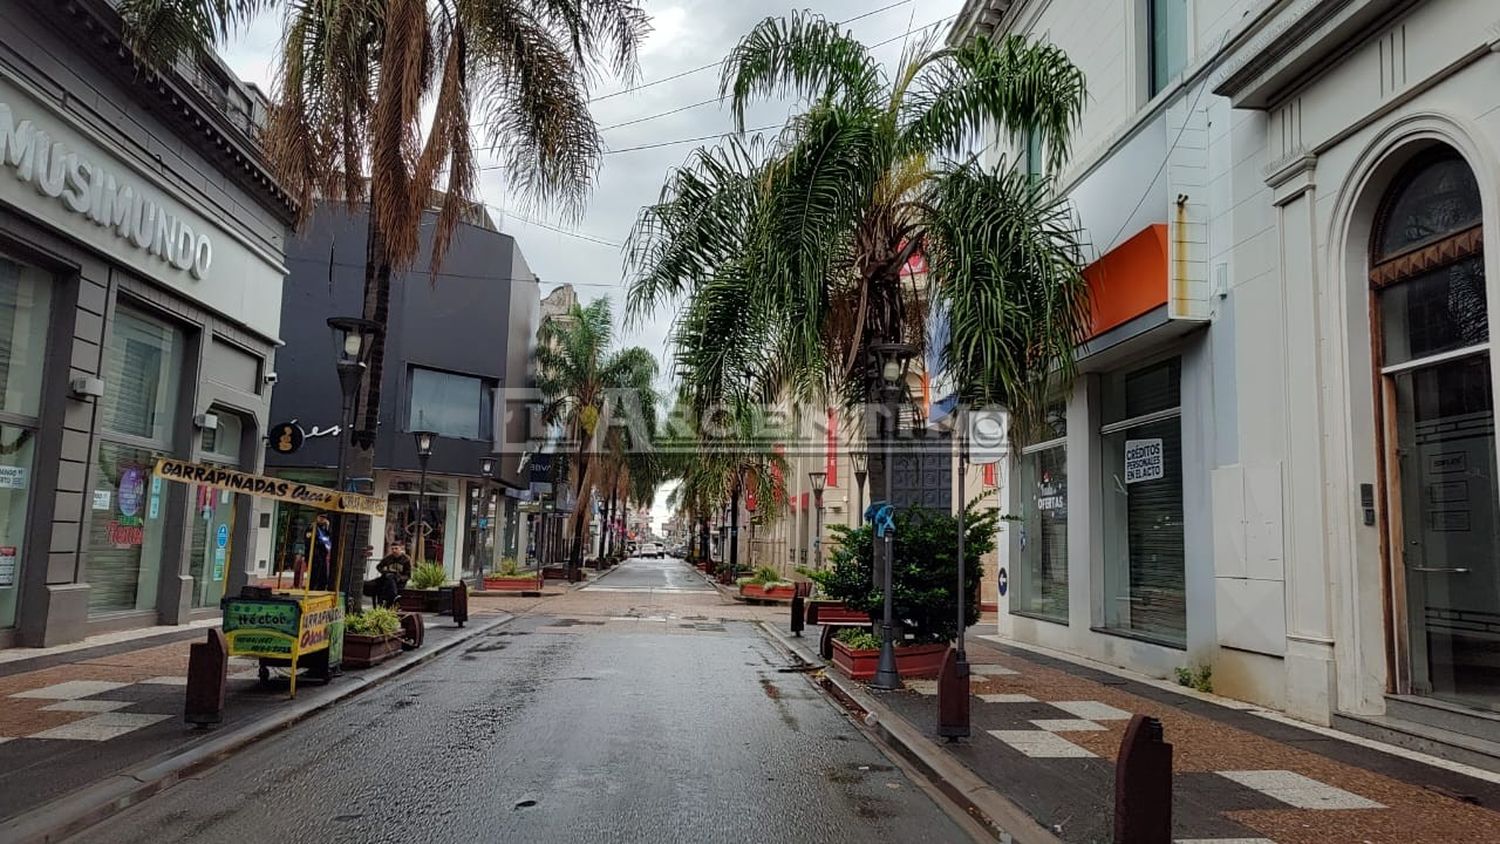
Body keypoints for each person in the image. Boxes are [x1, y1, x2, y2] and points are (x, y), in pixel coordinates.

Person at [364, 542, 412, 608]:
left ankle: (391, 598)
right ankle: (387, 600)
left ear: (401, 549)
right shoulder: (388, 558)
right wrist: (385, 572)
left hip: (399, 581)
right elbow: (379, 566)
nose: (394, 550)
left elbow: (408, 575)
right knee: (373, 583)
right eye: (392, 549)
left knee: (390, 579)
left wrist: (400, 577)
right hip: (388, 578)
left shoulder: (406, 559)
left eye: (396, 548)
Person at [307, 514, 334, 591]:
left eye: (325, 518)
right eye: (321, 517)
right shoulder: (312, 528)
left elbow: (329, 539)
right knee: (314, 577)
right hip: (314, 556)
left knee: (323, 578)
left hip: (322, 556)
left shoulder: (325, 529)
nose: (323, 519)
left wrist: (328, 527)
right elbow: (309, 541)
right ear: (317, 517)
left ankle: (320, 590)